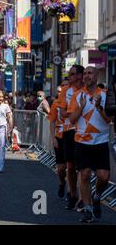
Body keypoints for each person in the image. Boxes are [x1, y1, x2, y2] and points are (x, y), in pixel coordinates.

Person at [68, 66, 111, 223]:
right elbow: (72, 119)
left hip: (101, 141)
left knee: (104, 177)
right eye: (85, 73)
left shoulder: (107, 95)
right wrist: (81, 106)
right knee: (84, 174)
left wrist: (99, 107)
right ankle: (87, 209)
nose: (86, 76)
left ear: (97, 75)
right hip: (82, 141)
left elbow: (108, 120)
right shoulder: (77, 96)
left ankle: (97, 196)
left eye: (90, 73)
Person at [60, 64, 85, 210]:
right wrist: (77, 112)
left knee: (83, 168)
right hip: (69, 130)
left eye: (72, 74)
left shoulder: (87, 90)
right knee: (70, 166)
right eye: (69, 74)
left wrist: (74, 113)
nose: (70, 77)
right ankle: (72, 194)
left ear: (80, 75)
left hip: (84, 132)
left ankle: (82, 199)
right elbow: (63, 113)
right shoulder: (65, 90)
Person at [48, 81, 69, 198]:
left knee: (71, 167)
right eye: (60, 91)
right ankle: (62, 182)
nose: (62, 92)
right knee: (61, 168)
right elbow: (52, 122)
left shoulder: (75, 101)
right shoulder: (55, 104)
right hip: (59, 136)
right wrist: (53, 139)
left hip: (72, 136)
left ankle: (72, 194)